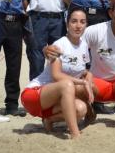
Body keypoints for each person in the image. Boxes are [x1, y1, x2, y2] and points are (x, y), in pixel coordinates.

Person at [21, 8, 96, 139]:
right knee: (67, 84)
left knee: (80, 109)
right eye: (74, 22)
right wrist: (83, 82)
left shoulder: (84, 45)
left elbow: (82, 70)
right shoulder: (59, 45)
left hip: (52, 99)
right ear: (67, 25)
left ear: (86, 25)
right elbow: (56, 75)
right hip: (34, 94)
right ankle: (75, 133)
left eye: (82, 22)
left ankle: (49, 119)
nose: (78, 26)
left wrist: (88, 78)